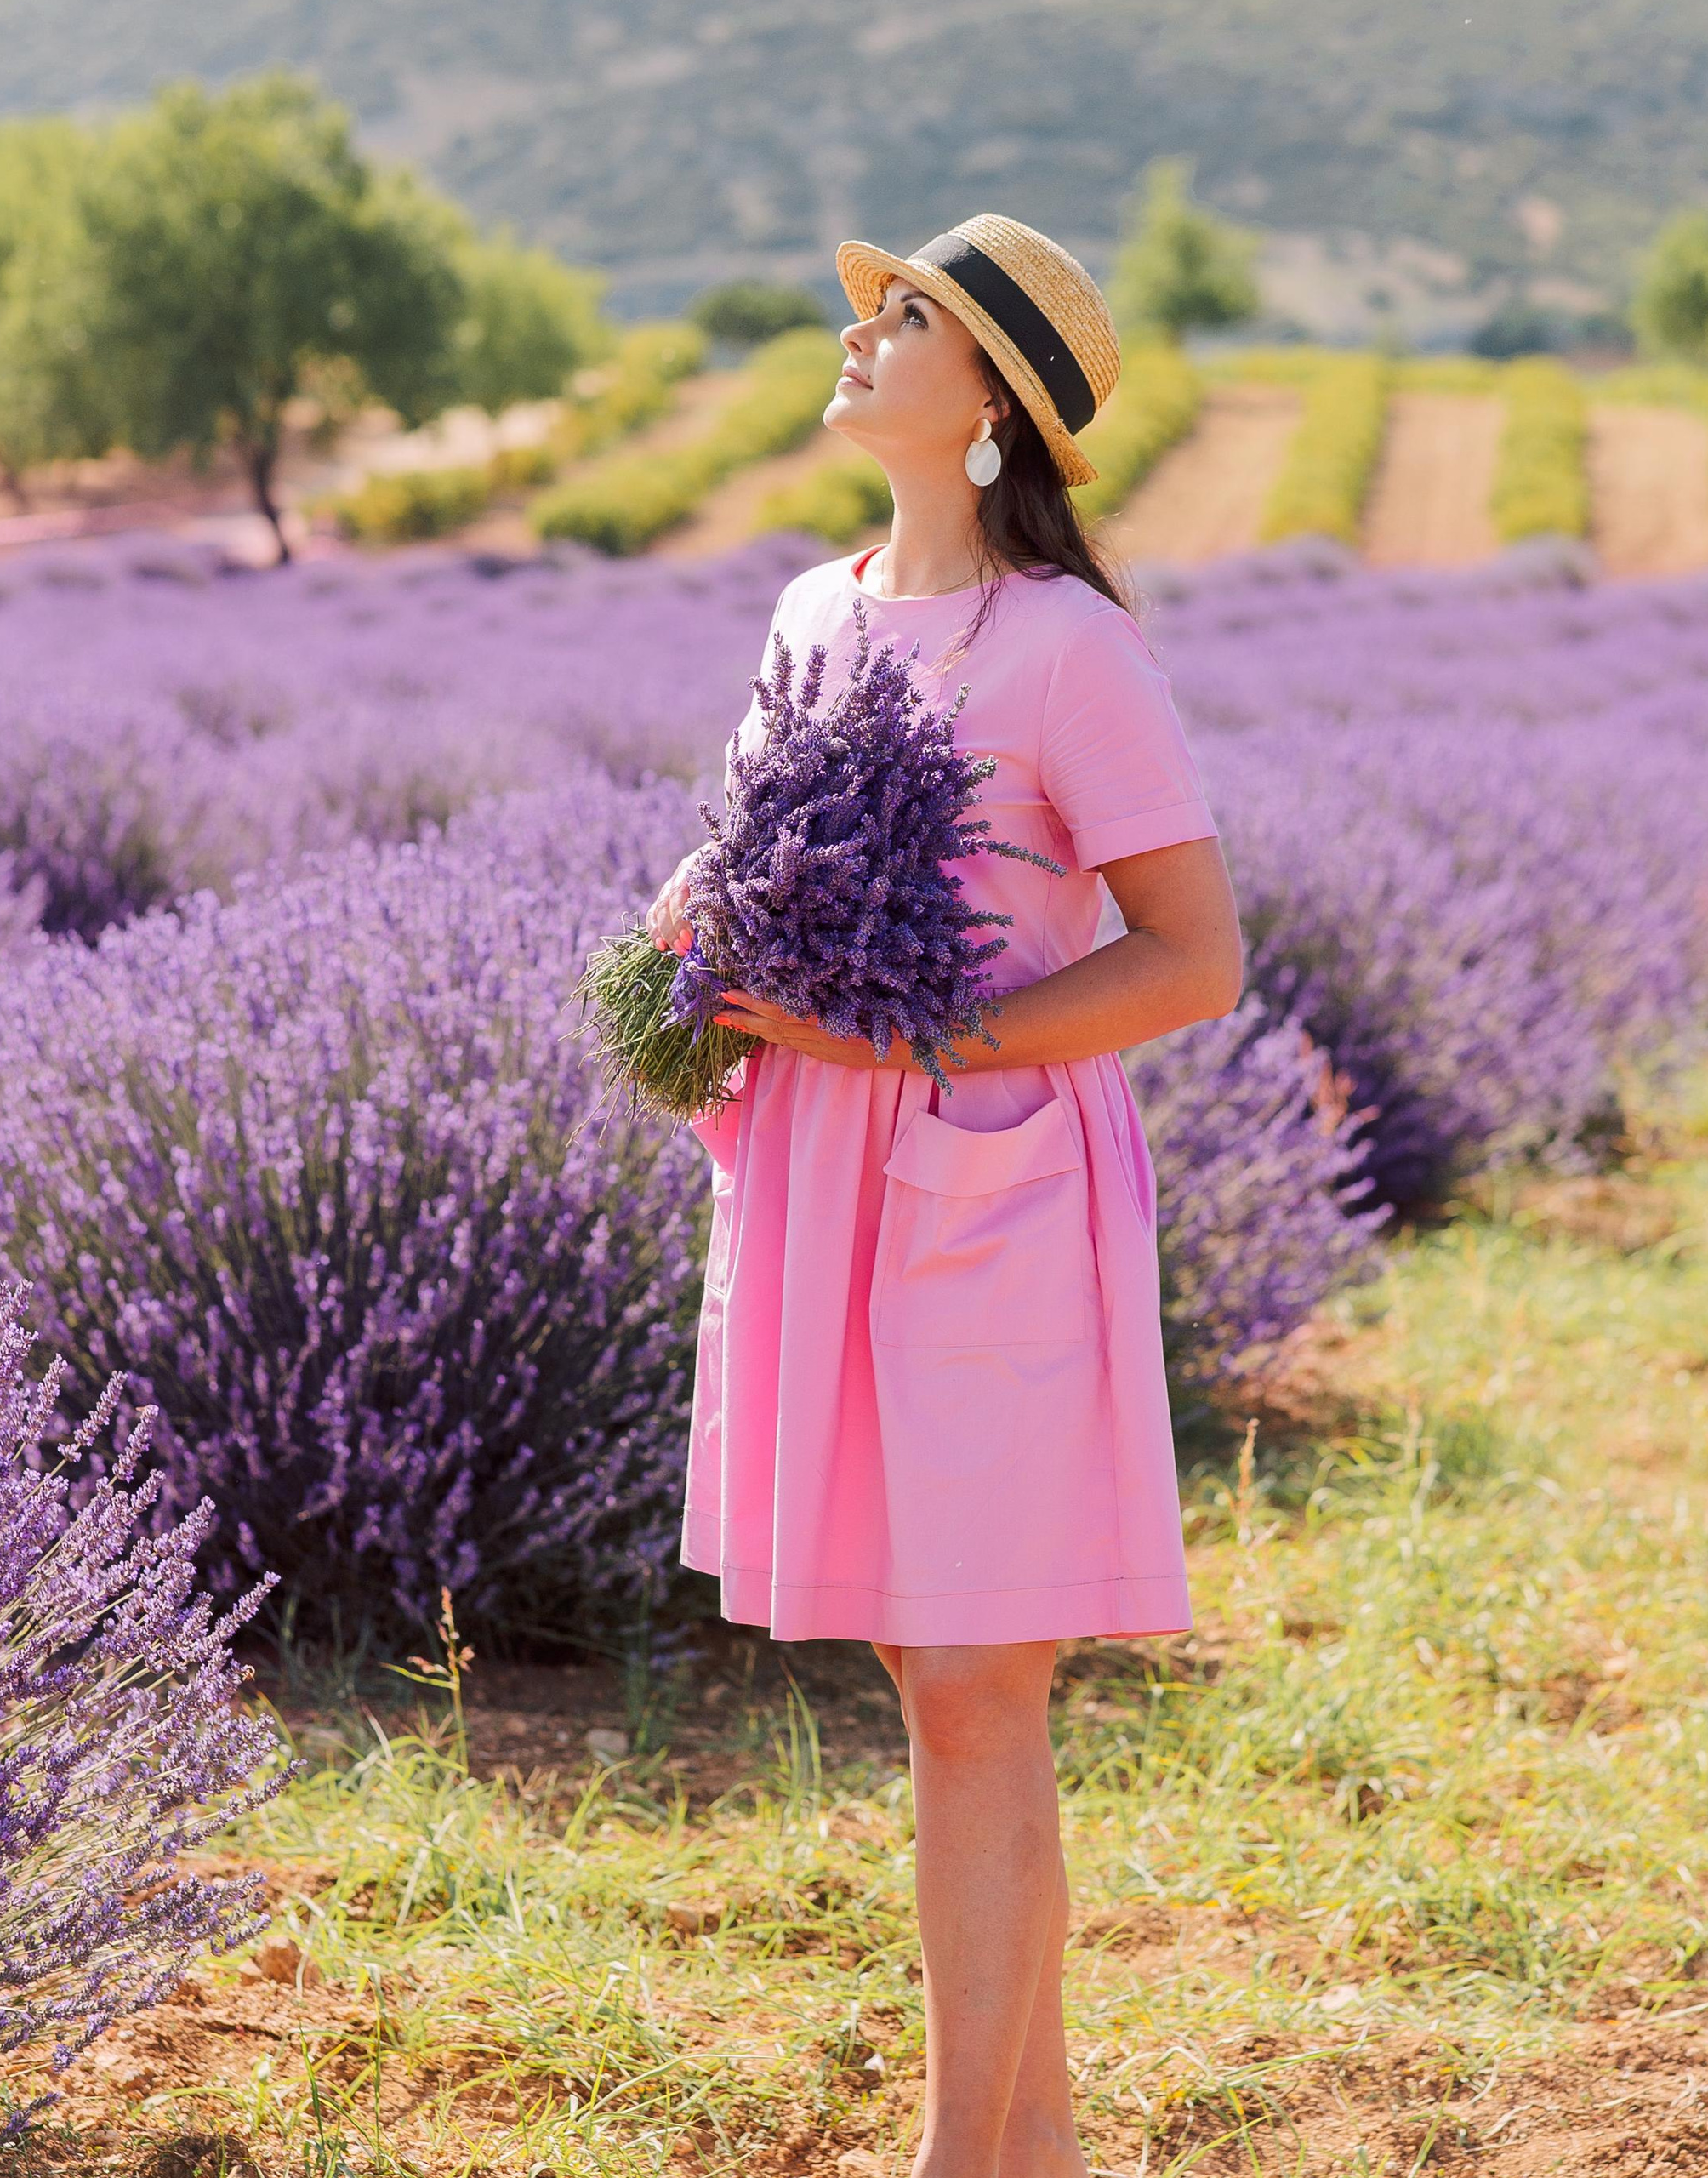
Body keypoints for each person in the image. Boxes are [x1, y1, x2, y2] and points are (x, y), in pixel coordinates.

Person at [646, 214, 1244, 2178]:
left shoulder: (1070, 649)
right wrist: (692, 935)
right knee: (940, 1683)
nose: (860, 333)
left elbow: (1185, 958)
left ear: (985, 397)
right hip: (824, 1183)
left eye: (905, 318)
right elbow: (766, 863)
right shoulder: (808, 611)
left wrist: (906, 1042)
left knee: (978, 1692)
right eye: (865, 306)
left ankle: (957, 2164)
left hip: (979, 1188)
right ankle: (1037, 2150)